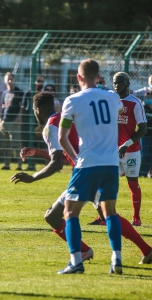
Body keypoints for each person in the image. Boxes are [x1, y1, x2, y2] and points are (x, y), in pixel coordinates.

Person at [10, 91, 152, 267]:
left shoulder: (51, 126)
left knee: (61, 216)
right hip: (96, 167)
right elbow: (63, 157)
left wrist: (32, 177)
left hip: (87, 173)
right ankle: (145, 250)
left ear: (37, 109)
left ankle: (84, 255)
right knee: (76, 215)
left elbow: (57, 164)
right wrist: (37, 152)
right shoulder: (65, 118)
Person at [59, 59, 123, 274]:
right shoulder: (113, 97)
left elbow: (62, 137)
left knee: (70, 212)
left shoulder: (72, 100)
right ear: (98, 77)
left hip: (87, 163)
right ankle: (117, 258)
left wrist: (76, 158)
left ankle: (76, 261)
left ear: (78, 78)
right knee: (110, 212)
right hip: (111, 163)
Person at [89, 72, 147, 227]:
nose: (117, 85)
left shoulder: (135, 103)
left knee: (132, 183)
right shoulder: (109, 101)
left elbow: (143, 130)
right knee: (101, 183)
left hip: (131, 151)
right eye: (115, 82)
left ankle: (136, 218)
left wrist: (126, 144)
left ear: (128, 83)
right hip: (112, 151)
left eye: (120, 83)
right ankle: (104, 217)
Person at [0, 72, 24, 170]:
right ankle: (7, 165)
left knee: (17, 145)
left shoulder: (19, 92)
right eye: (7, 79)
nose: (9, 81)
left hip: (14, 122)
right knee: (6, 145)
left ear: (14, 80)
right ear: (4, 81)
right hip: (5, 121)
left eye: (11, 79)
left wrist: (18, 118)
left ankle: (19, 165)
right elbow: (3, 106)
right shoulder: (4, 93)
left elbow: (22, 107)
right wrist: (0, 118)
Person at [140, 91, 152, 177]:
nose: (147, 99)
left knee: (150, 158)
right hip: (145, 136)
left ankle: (146, 173)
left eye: (149, 97)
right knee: (144, 156)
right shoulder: (142, 108)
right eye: (146, 97)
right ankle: (141, 174)